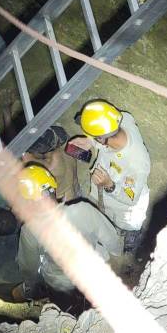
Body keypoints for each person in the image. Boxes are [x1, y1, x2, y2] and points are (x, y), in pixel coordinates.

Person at [13, 164, 122, 299]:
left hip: (61, 283)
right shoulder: (83, 209)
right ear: (53, 187)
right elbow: (111, 239)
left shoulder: (30, 231)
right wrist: (117, 251)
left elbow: (29, 267)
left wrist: (30, 285)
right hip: (90, 270)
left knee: (41, 264)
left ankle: (35, 293)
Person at [69, 100, 151, 252]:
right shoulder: (122, 119)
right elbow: (103, 137)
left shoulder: (138, 164)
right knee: (103, 212)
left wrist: (109, 185)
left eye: (93, 136)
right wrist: (89, 142)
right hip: (106, 177)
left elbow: (130, 199)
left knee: (127, 223)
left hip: (125, 202)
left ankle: (132, 234)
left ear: (101, 138)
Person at [22, 125, 79, 202]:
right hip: (73, 192)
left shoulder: (48, 168)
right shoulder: (67, 143)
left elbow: (23, 154)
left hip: (66, 201)